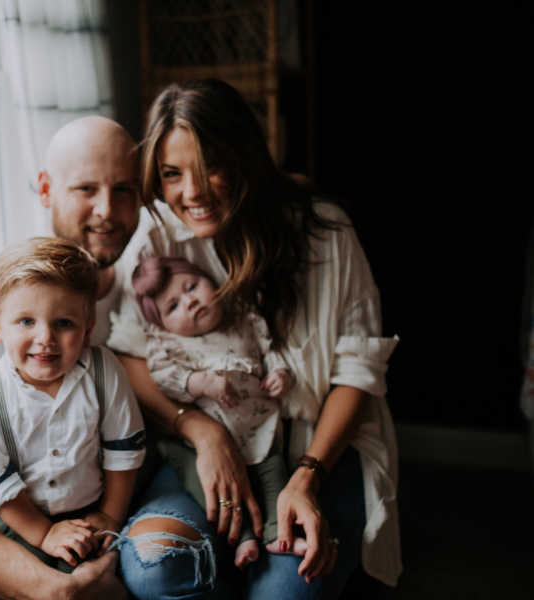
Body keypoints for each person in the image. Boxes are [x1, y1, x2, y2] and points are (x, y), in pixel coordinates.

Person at [106, 79, 400, 599]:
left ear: (244, 155)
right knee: (159, 565)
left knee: (287, 590)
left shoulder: (325, 232)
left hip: (314, 453)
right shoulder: (159, 239)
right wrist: (201, 431)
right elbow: (130, 356)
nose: (190, 194)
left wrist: (306, 477)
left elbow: (358, 372)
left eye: (209, 168)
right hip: (203, 452)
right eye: (173, 174)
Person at [0, 115, 141, 599]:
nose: (107, 210)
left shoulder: (156, 286)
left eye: (124, 189)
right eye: (84, 188)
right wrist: (50, 588)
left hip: (118, 513)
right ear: (45, 190)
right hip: (26, 535)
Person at [0, 237, 145, 573]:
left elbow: (123, 452)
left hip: (96, 511)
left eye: (63, 323)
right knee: (31, 585)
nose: (45, 337)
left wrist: (109, 516)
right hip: (21, 523)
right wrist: (45, 534)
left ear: (87, 328)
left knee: (100, 578)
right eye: (26, 322)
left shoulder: (104, 371)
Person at [112, 255, 298, 569]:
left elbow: (271, 351)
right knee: (211, 489)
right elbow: (165, 379)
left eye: (193, 286)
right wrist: (200, 383)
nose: (189, 302)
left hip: (256, 426)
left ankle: (276, 534)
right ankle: (244, 538)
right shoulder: (168, 345)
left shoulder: (243, 320)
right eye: (173, 306)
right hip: (202, 445)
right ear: (162, 324)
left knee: (274, 477)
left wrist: (281, 374)